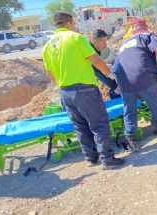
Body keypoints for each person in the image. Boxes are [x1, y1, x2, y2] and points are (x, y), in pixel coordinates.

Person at [42, 12, 124, 168]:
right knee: (99, 123)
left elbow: (50, 73)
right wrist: (110, 74)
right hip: (84, 90)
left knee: (80, 125)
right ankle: (107, 159)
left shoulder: (46, 46)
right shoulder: (75, 38)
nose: (74, 25)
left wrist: (62, 83)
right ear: (69, 22)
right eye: (73, 23)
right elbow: (95, 60)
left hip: (65, 92)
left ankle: (91, 158)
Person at [112, 19, 157, 151]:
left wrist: (119, 86)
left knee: (129, 111)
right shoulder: (148, 35)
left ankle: (131, 139)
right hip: (145, 78)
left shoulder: (123, 44)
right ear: (145, 27)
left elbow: (115, 69)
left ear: (132, 30)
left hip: (125, 83)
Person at [90, 29, 120, 99]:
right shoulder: (89, 49)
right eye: (104, 42)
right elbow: (98, 71)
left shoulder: (96, 49)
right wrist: (114, 86)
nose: (106, 45)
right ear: (95, 42)